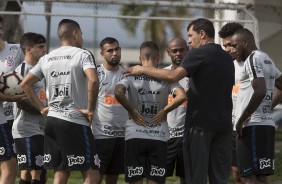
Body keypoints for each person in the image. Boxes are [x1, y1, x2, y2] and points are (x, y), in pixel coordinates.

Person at [124, 18, 235, 184]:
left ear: (202, 34)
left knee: (195, 177)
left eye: (191, 35)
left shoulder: (198, 53)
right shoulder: (226, 57)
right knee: (219, 177)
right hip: (224, 126)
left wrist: (140, 69)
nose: (189, 41)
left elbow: (173, 75)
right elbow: (209, 88)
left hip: (200, 126)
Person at [20, 19, 101, 184]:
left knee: (61, 171)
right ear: (75, 34)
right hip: (75, 120)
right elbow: (93, 80)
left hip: (52, 121)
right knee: (92, 173)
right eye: (82, 35)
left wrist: (42, 109)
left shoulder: (47, 58)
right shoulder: (82, 54)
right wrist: (91, 110)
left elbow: (25, 84)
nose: (82, 39)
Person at [115, 41, 186, 184]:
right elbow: (182, 96)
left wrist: (132, 110)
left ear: (140, 58)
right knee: (155, 180)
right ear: (159, 57)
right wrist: (164, 111)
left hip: (135, 134)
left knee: (135, 179)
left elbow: (118, 92)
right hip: (158, 136)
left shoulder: (130, 74)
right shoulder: (165, 76)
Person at [232, 28, 282, 184]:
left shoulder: (253, 59)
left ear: (245, 42)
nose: (233, 50)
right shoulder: (266, 58)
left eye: (235, 45)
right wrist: (267, 107)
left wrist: (241, 120)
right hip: (265, 124)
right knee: (261, 176)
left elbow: (259, 91)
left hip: (252, 125)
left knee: (247, 176)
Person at [91, 37, 127, 184]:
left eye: (117, 49)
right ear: (102, 53)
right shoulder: (96, 75)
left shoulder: (126, 74)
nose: (114, 53)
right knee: (95, 178)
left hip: (122, 136)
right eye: (110, 50)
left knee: (113, 177)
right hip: (100, 136)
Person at [12, 32, 47, 184]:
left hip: (40, 128)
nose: (44, 50)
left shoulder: (40, 70)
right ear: (28, 49)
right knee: (33, 174)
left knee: (30, 173)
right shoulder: (22, 71)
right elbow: (21, 102)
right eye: (40, 46)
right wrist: (43, 111)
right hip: (27, 129)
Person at [0, 16, 26, 184]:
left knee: (20, 163)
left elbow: (33, 73)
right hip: (2, 119)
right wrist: (11, 97)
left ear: (1, 29)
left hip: (15, 118)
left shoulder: (16, 50)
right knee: (9, 167)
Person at [218, 22, 244, 184]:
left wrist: (267, 107)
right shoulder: (227, 65)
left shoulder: (256, 60)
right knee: (236, 173)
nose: (227, 49)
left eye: (231, 45)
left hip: (250, 126)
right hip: (231, 126)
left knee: (253, 175)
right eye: (225, 46)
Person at [164, 38, 189, 184]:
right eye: (174, 51)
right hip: (165, 136)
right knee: (158, 176)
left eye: (182, 50)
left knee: (186, 178)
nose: (178, 53)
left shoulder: (193, 75)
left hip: (186, 136)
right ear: (168, 52)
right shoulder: (162, 74)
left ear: (187, 50)